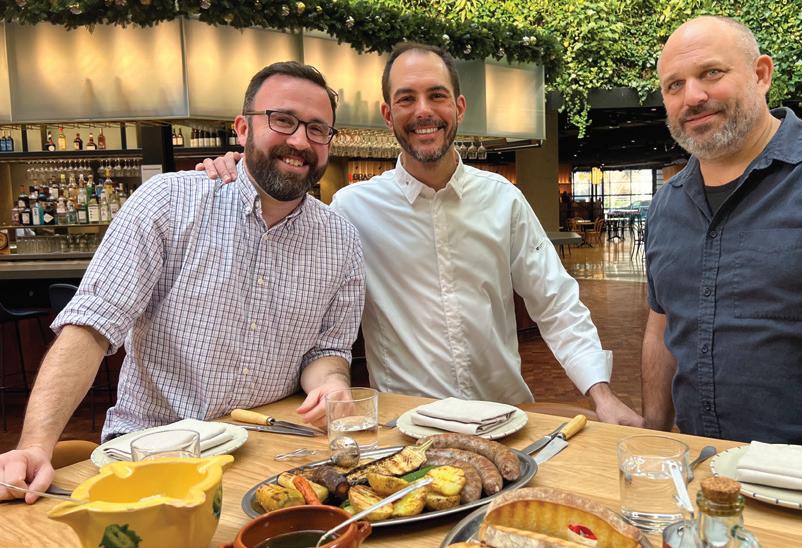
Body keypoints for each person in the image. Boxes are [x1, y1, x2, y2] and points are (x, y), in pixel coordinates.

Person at [202, 43, 642, 425]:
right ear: (388, 115)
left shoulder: (502, 199)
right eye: (407, 99)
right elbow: (286, 255)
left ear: (459, 108)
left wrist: (601, 394)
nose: (423, 111)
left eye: (437, 95)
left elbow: (556, 302)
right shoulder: (350, 210)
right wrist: (239, 170)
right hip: (407, 426)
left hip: (505, 417)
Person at [0, 61, 365, 503]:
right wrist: (35, 446)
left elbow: (326, 350)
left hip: (269, 453)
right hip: (150, 455)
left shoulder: (341, 239)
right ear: (243, 129)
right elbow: (91, 327)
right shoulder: (170, 202)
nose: (300, 141)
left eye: (317, 128)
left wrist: (331, 383)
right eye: (283, 120)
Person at [643, 16, 802, 456]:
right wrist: (651, 435)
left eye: (711, 73)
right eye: (675, 85)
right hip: (705, 467)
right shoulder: (666, 206)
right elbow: (662, 326)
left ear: (761, 74)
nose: (693, 96)